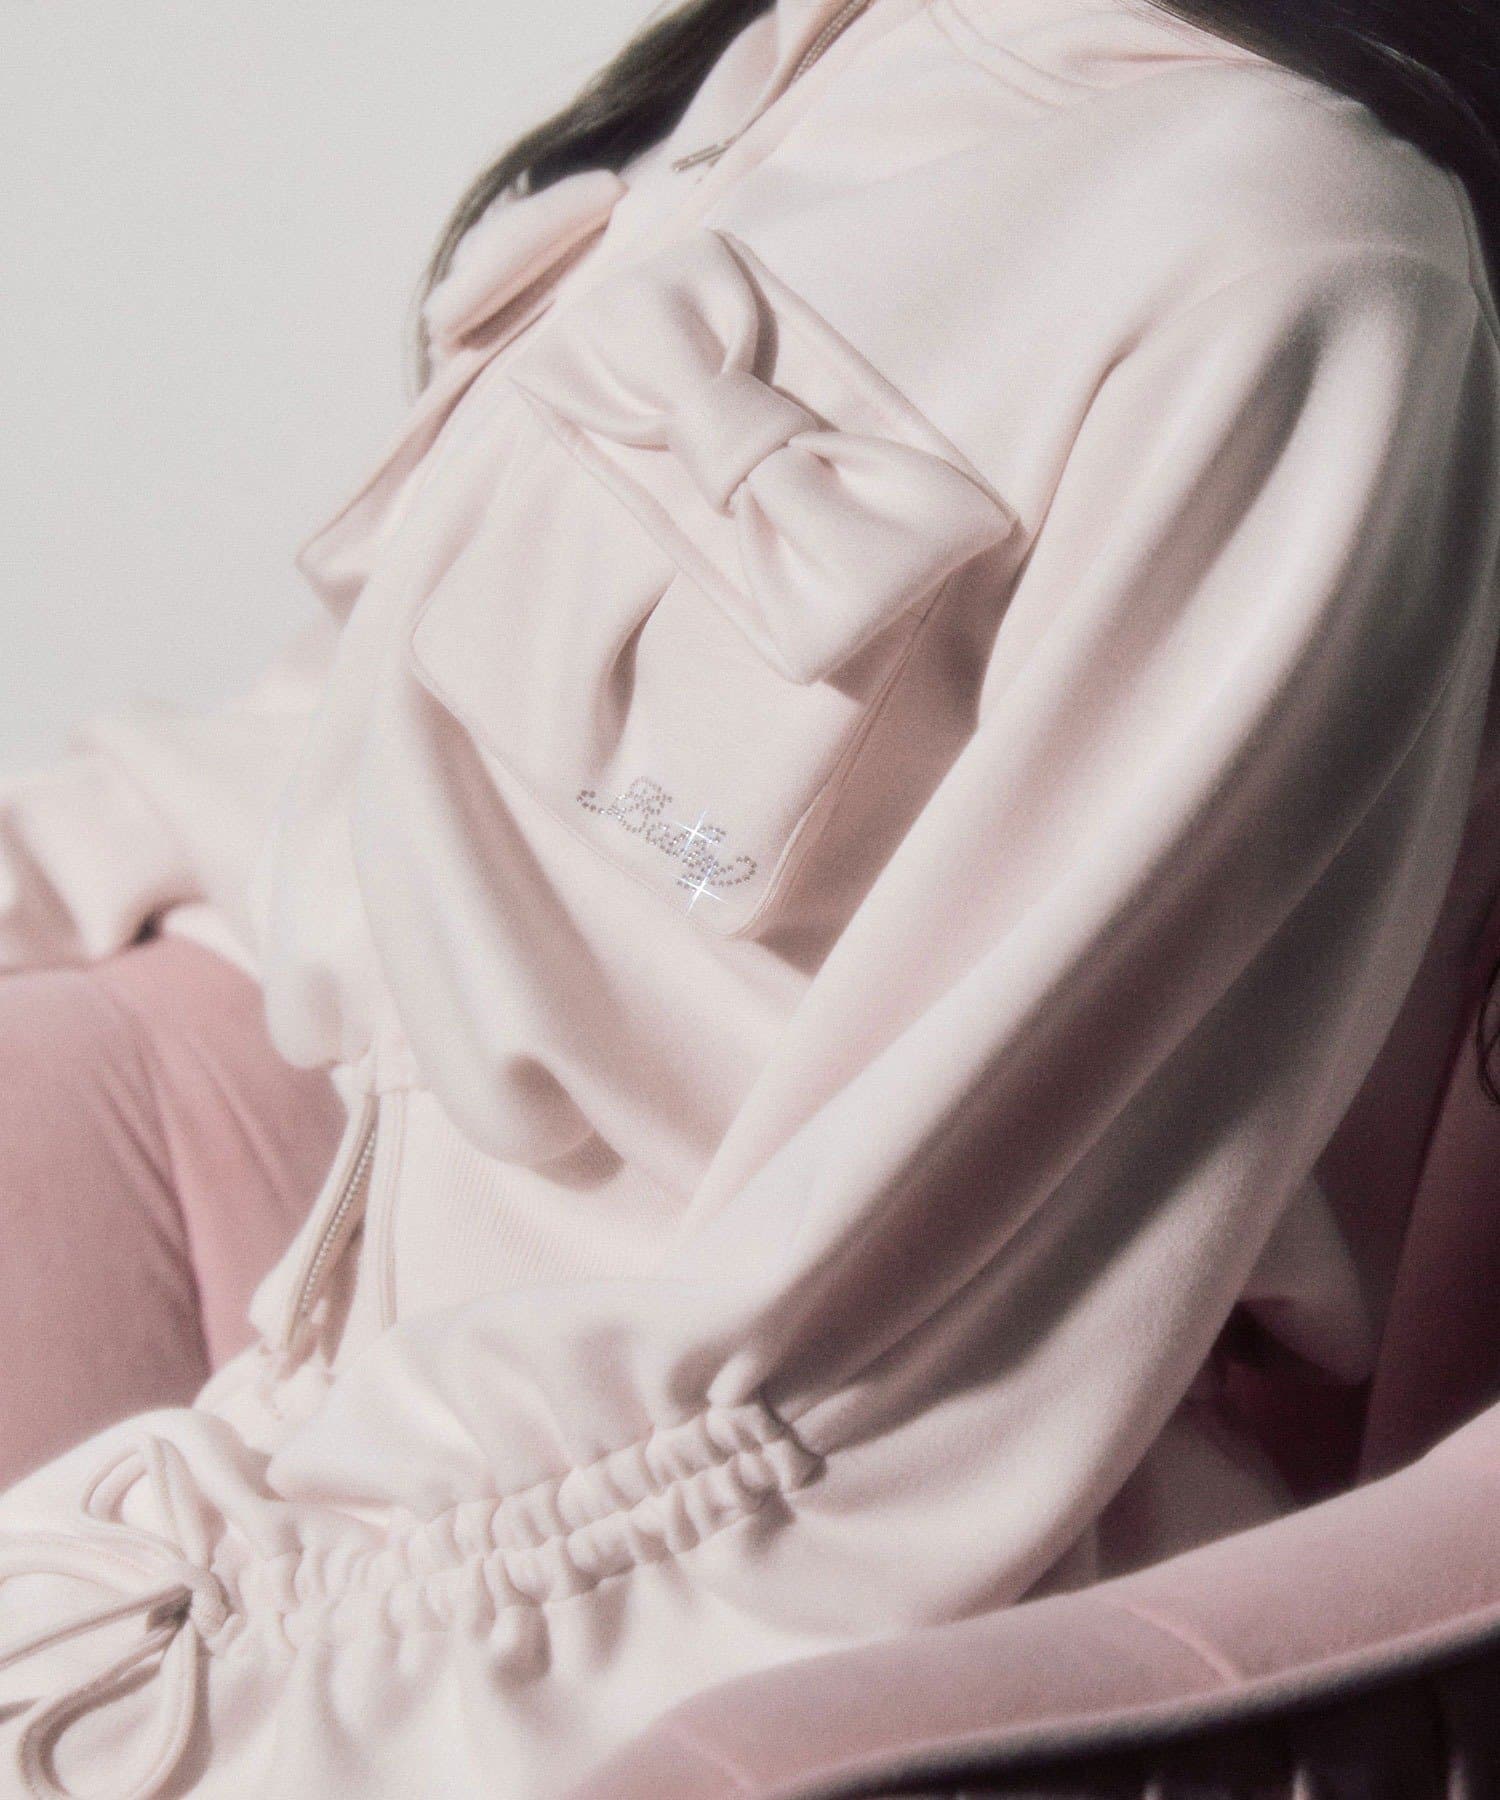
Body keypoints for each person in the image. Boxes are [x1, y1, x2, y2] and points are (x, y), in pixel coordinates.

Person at [2, 0, 1500, 1793]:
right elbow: (447, 750)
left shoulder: (1296, 265)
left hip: (764, 1646)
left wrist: (197, 1654)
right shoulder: (835, 52)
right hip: (330, 1494)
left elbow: (882, 1402)